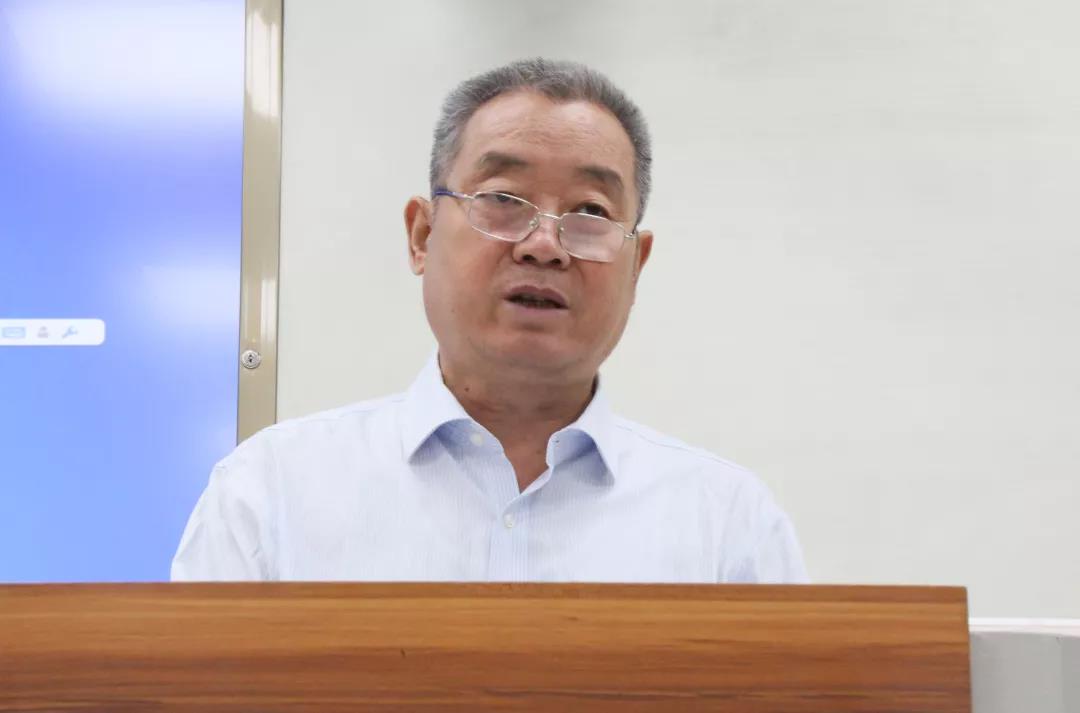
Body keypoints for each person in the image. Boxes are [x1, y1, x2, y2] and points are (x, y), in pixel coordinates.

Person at [171, 58, 807, 583]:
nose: (544, 245)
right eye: (503, 199)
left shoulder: (728, 526)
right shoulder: (270, 494)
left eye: (590, 212)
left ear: (635, 265)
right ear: (422, 235)